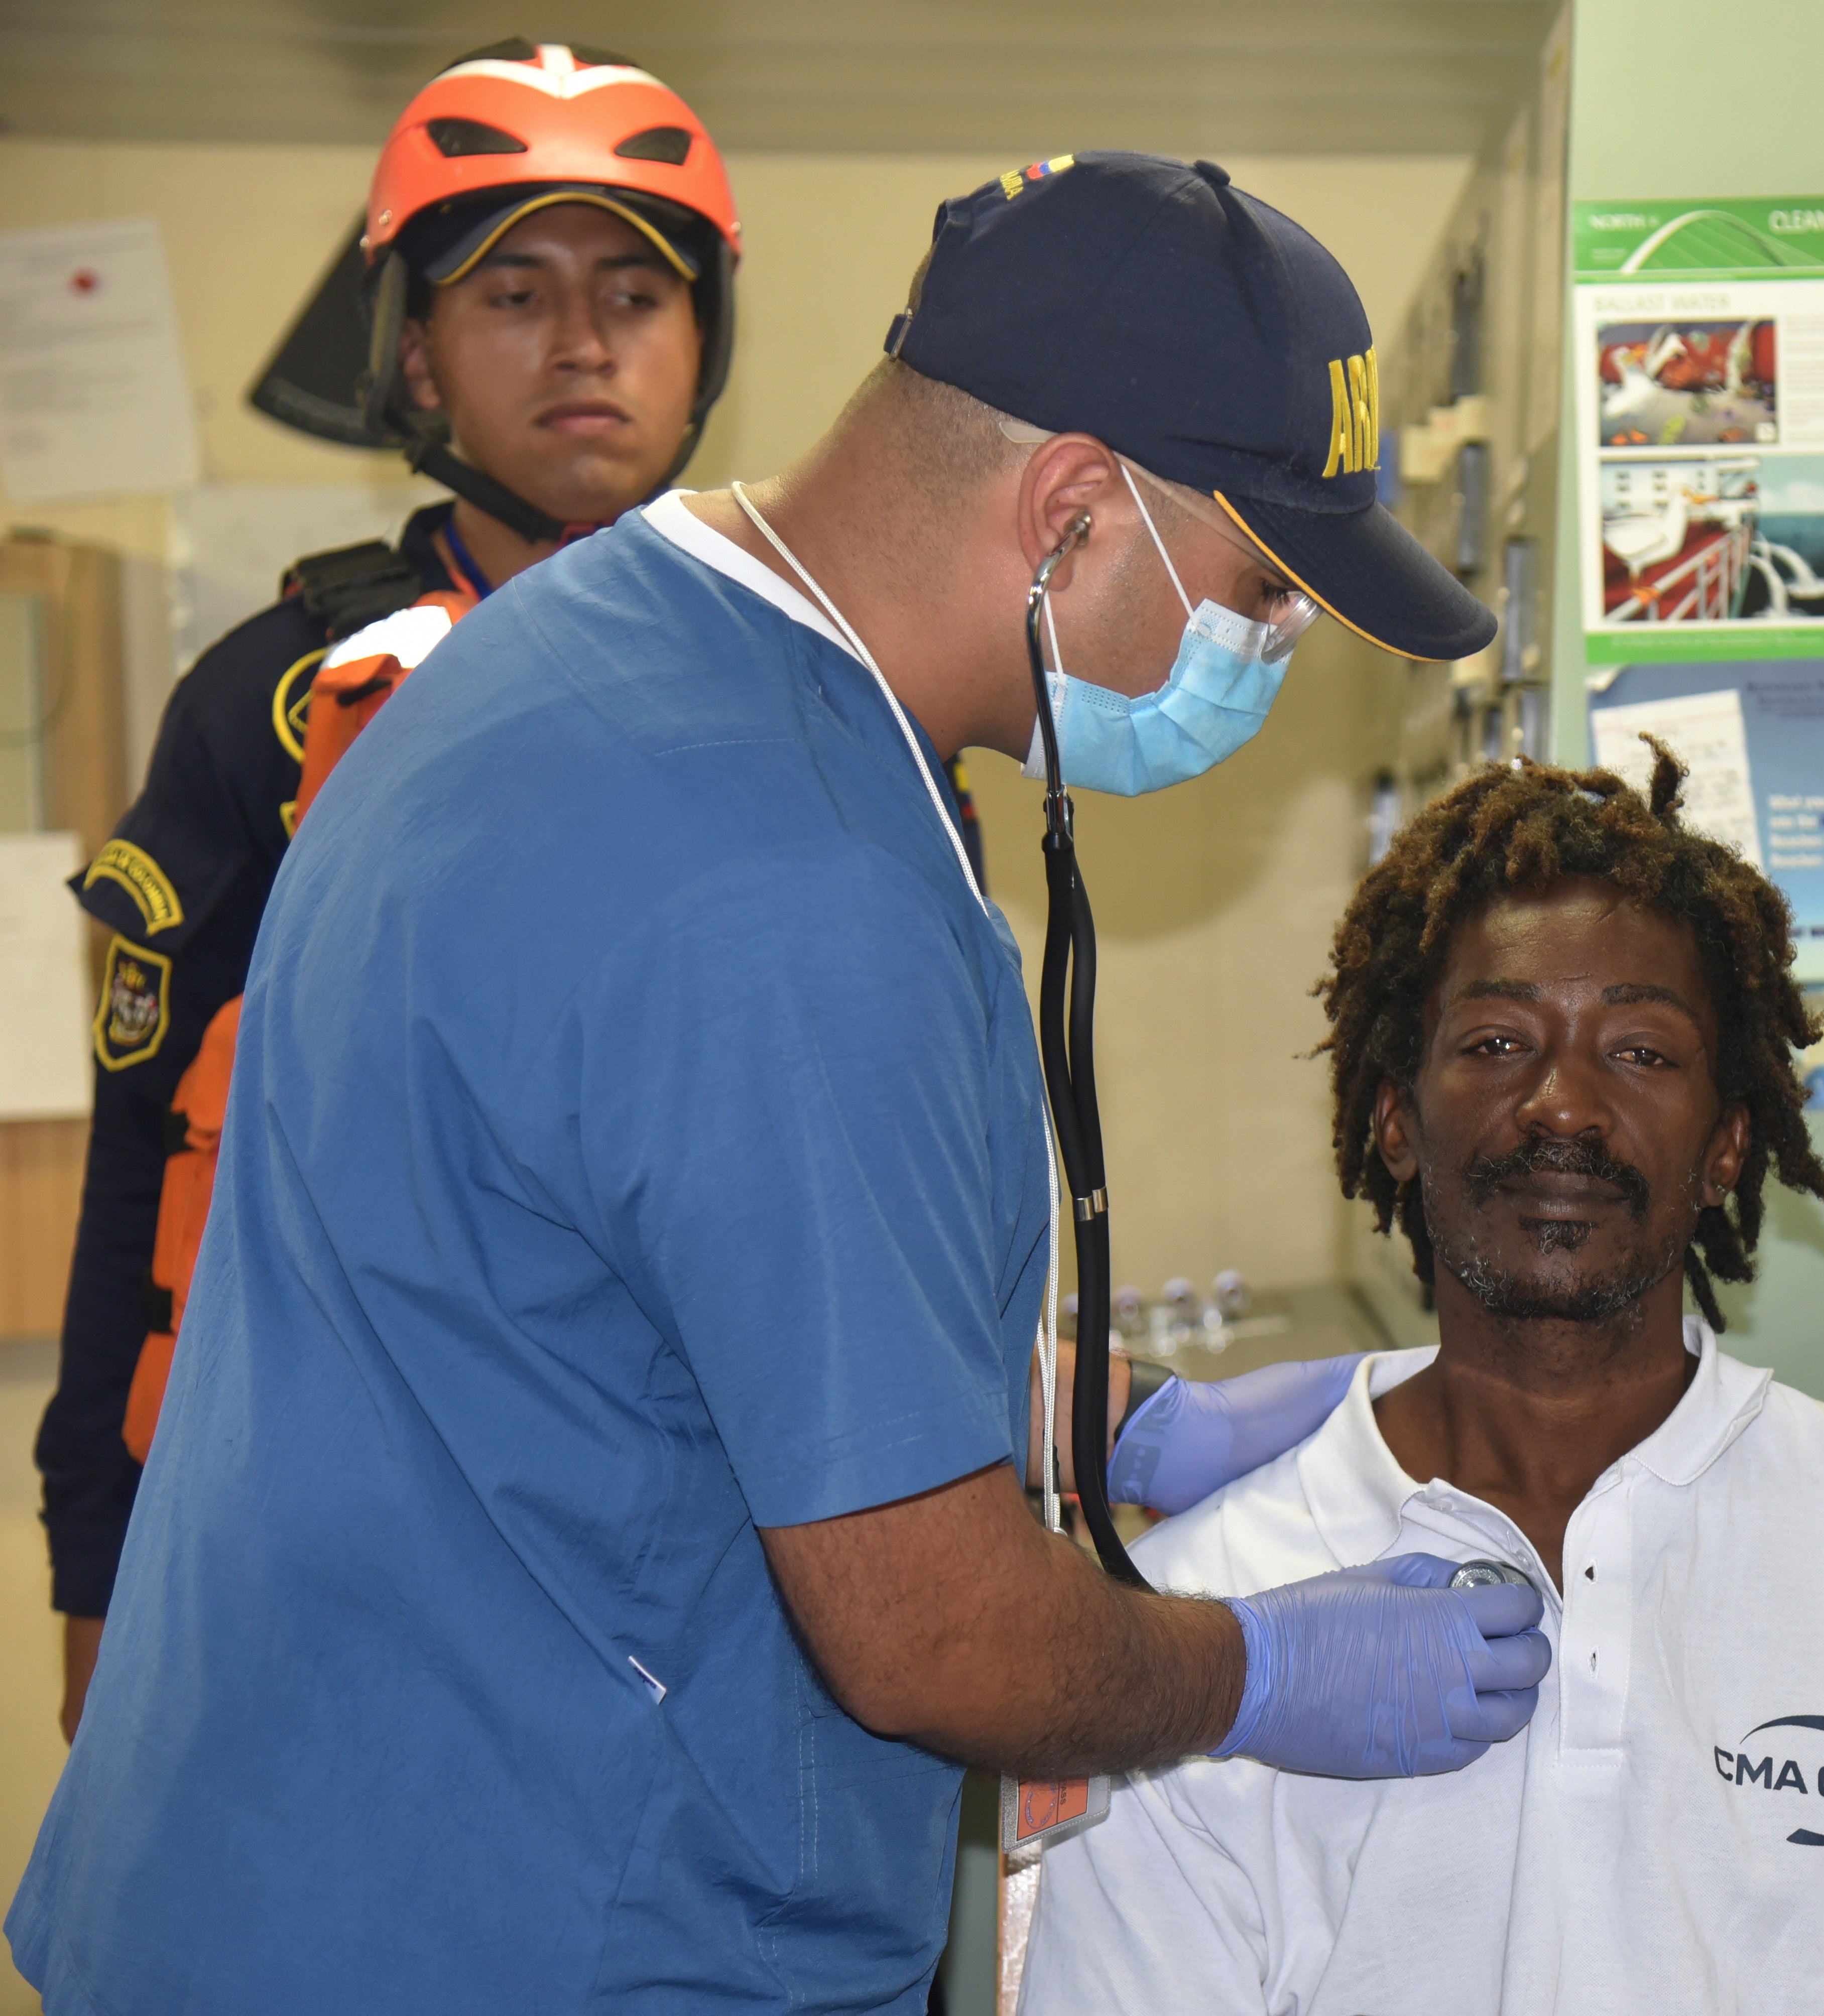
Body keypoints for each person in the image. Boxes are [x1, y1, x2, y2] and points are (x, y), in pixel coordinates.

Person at [11, 152, 1550, 2012]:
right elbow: (935, 1637)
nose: (1273, 652)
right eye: (1258, 590)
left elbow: (588, 1272)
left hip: (276, 1881)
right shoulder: (791, 881)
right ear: (1068, 513)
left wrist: (1101, 1417)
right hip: (528, 1933)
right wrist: (1264, 1675)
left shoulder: (583, 656)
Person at [1020, 746, 1824, 2015]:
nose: (1561, 1103)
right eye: (1500, 1039)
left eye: (1640, 1051)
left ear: (1730, 1139)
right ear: (1395, 1116)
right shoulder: (1204, 1625)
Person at [38, 36, 761, 1742]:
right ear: (416, 358)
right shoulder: (272, 702)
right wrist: (98, 1581)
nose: (584, 341)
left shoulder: (819, 689)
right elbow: (147, 1172)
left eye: (634, 293)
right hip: (320, 1562)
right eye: (512, 290)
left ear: (701, 343)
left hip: (705, 1569)